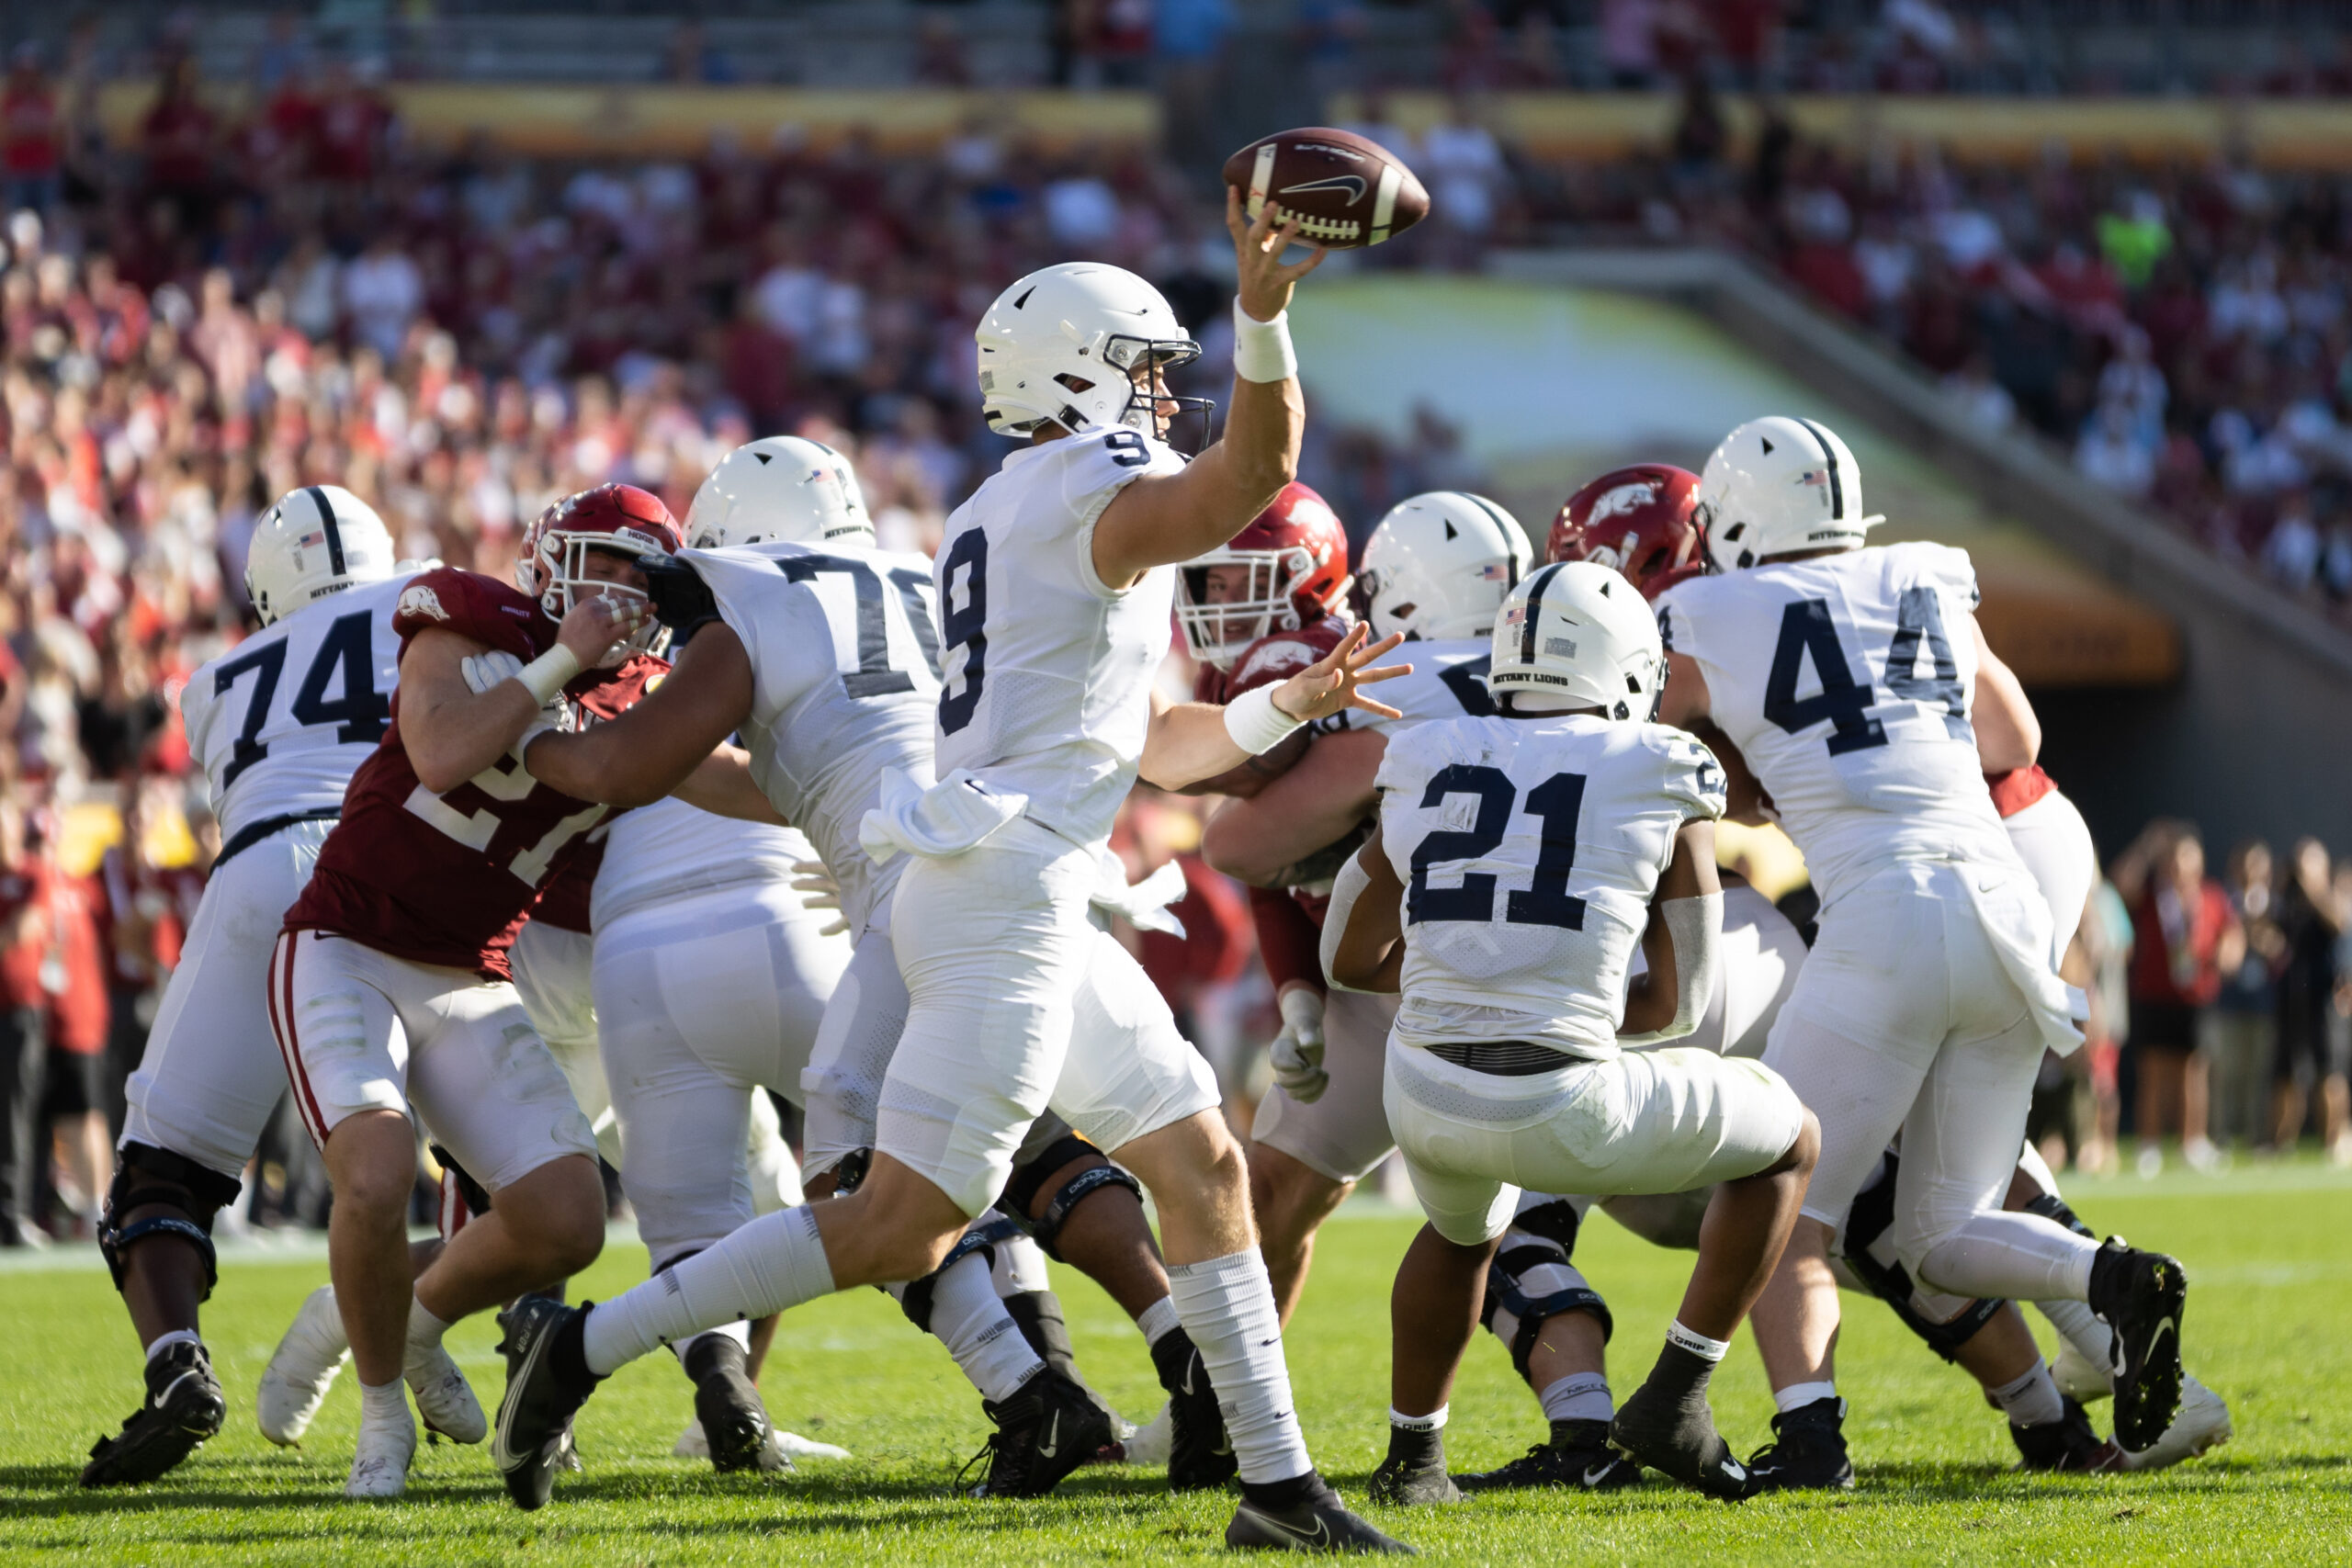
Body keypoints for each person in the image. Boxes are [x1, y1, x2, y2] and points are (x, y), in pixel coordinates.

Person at [492, 196, 1419, 1551]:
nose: (1165, 392)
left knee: (1204, 1163)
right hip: (1002, 894)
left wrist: (1289, 709)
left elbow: (1149, 739)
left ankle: (1279, 1491)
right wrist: (1266, 309)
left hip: (1019, 874)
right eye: (1147, 366)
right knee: (894, 1227)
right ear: (1079, 371)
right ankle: (584, 1344)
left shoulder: (1011, 507)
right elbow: (1251, 474)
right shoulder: (1077, 488)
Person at [1652, 415, 2189, 1485]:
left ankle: (1809, 1438)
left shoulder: (1704, 608)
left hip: (1878, 915)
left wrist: (1756, 758)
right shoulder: (1927, 573)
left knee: (1775, 1195)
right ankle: (2113, 1276)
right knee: (1941, 1225)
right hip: (2003, 908)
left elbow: (1649, 748)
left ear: (1741, 521)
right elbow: (2014, 742)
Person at [266, 482, 755, 1498]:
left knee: (567, 1220)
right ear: (549, 560)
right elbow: (443, 753)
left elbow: (729, 780)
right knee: (373, 1169)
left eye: (639, 575)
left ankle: (384, 1318)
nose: (619, 593)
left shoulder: (639, 702)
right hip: (347, 940)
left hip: (469, 970)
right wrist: (562, 657)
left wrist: (865, 784)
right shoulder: (465, 616)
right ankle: (379, 1411)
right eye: (603, 564)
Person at [1321, 560, 1817, 1502]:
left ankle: (1412, 1460)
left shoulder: (1431, 752)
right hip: (1565, 1095)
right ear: (1629, 665)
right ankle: (1676, 1398)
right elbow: (1679, 1001)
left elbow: (1346, 956)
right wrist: (1565, 1016)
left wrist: (1454, 991)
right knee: (1793, 1142)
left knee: (1459, 1229)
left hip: (1420, 1090)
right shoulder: (1660, 765)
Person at [79, 486, 406, 1487]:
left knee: (159, 1168)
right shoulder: (428, 601)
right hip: (401, 859)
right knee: (493, 1160)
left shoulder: (214, 678)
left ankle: (175, 1359)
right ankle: (515, 1341)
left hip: (261, 871)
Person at [1199, 490, 1534, 1320]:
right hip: (1553, 978)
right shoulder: (1567, 673)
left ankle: (1224, 1418)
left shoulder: (1385, 682)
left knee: (1269, 1203)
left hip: (1404, 986)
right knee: (1508, 1239)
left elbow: (1239, 847)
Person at [2112, 822, 2239, 1173]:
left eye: (2188, 857)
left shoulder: (2211, 896)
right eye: (2174, 857)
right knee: (2153, 1071)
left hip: (2196, 997)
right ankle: (2148, 1145)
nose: (2181, 865)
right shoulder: (2151, 893)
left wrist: (2228, 953)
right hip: (2153, 994)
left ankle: (2192, 1143)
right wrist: (2147, 846)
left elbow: (2231, 933)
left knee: (2193, 1072)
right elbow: (2121, 882)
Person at [2269, 837, 2348, 1157]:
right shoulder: (2290, 903)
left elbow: (2339, 922)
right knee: (2287, 1072)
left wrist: (2316, 887)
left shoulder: (2331, 898)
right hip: (2293, 1001)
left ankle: (2335, 1140)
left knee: (2329, 1072)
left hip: (2325, 1001)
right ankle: (2279, 1142)